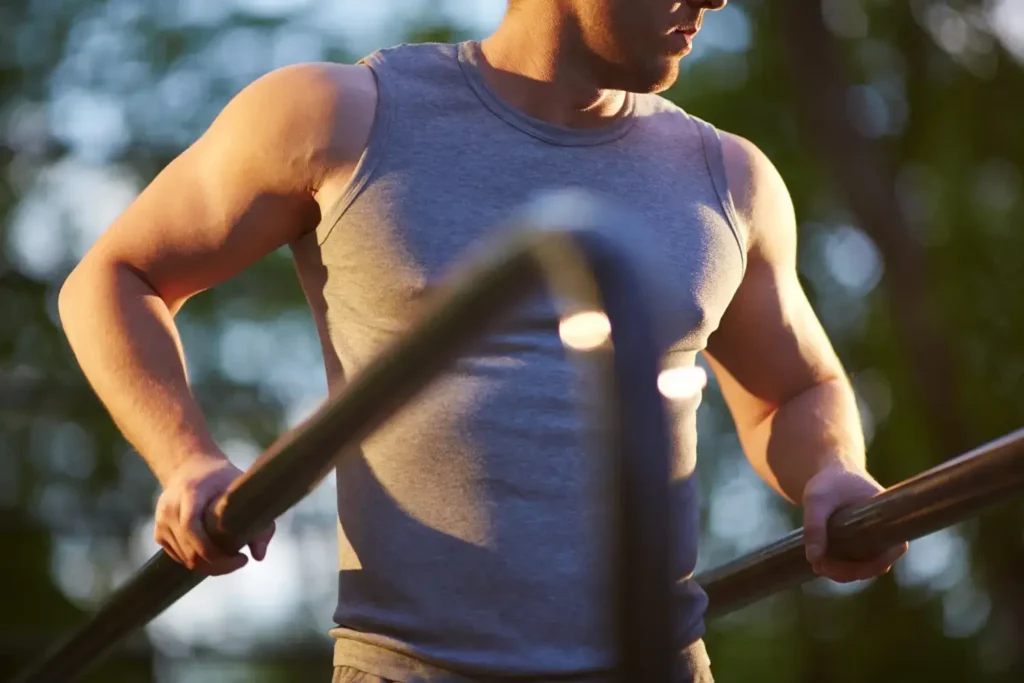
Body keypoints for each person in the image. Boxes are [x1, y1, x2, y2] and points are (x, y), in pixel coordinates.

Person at [57, 0, 908, 681]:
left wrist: (830, 471)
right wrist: (188, 458)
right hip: (410, 666)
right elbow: (114, 276)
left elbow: (796, 391)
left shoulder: (730, 179)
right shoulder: (339, 117)